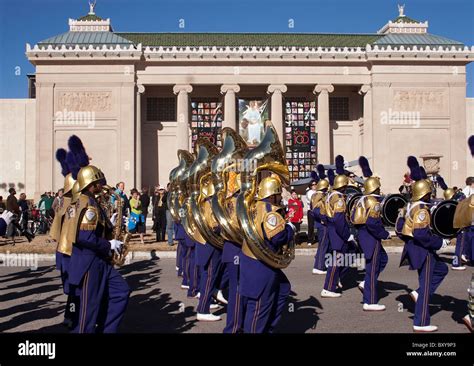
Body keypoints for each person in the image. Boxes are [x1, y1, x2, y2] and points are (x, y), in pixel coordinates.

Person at [67, 135, 130, 334]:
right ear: (91, 184)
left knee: (121, 292)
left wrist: (110, 227)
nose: (101, 185)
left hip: (99, 261)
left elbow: (92, 230)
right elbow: (85, 238)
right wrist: (109, 245)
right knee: (88, 312)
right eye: (98, 182)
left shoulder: (91, 202)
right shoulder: (88, 205)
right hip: (90, 263)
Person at [239, 175, 295, 333]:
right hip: (261, 264)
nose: (280, 197)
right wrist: (290, 228)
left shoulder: (252, 207)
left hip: (252, 260)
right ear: (273, 195)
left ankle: (268, 329)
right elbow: (278, 238)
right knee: (258, 307)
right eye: (279, 194)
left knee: (283, 289)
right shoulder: (270, 212)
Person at [398, 156, 448, 332]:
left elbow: (399, 227)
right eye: (429, 192)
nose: (431, 194)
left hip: (417, 247)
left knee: (442, 269)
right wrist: (439, 242)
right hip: (422, 249)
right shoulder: (421, 210)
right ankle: (420, 323)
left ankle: (417, 293)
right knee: (426, 285)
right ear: (425, 193)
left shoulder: (412, 205)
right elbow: (421, 235)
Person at [351, 156, 390, 311]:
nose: (379, 190)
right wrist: (384, 234)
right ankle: (370, 300)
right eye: (378, 188)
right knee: (372, 268)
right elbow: (373, 224)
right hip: (370, 237)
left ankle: (366, 285)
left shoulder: (361, 199)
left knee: (382, 259)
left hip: (362, 235)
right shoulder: (373, 202)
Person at [321, 155, 355, 298]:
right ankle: (329, 287)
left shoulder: (329, 195)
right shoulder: (339, 198)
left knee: (341, 258)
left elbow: (322, 214)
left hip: (331, 230)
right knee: (338, 260)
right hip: (338, 232)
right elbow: (339, 219)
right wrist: (347, 235)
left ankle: (335, 281)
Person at [311, 165, 330, 275]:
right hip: (323, 225)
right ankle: (319, 266)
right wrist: (324, 219)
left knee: (323, 245)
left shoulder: (315, 195)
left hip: (319, 224)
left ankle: (320, 263)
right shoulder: (320, 196)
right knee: (323, 245)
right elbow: (318, 211)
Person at [306, 180, 318, 244]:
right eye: (313, 184)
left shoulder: (318, 192)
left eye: (315, 184)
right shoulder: (309, 192)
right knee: (311, 226)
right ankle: (310, 240)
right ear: (310, 186)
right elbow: (312, 200)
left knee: (319, 225)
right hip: (311, 211)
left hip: (318, 211)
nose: (314, 186)